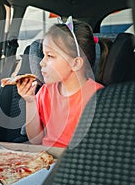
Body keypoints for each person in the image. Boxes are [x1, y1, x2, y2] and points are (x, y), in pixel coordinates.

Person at [16, 18, 104, 148]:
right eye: (43, 55)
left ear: (75, 63)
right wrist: (30, 101)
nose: (41, 62)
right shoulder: (46, 91)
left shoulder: (99, 96)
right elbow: (35, 140)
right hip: (46, 159)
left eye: (50, 56)